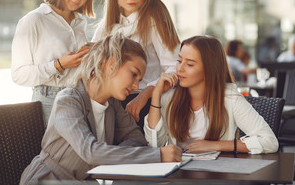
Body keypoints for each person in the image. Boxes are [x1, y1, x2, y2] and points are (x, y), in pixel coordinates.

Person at [19, 34, 182, 184]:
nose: (136, 86)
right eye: (133, 74)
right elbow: (90, 152)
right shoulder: (68, 101)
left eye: (139, 80)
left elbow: (136, 138)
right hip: (48, 179)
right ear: (111, 64)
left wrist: (108, 153)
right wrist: (158, 155)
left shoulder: (112, 104)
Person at [144, 35, 278, 154]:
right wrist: (156, 94)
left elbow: (270, 141)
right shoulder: (170, 98)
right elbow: (155, 144)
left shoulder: (230, 99)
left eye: (189, 64)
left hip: (217, 175)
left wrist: (214, 145)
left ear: (209, 70)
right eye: (179, 61)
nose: (180, 68)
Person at [92, 0, 180, 128]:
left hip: (145, 102)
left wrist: (147, 93)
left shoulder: (155, 20)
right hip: (112, 104)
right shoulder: (107, 25)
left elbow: (176, 66)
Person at [11, 0, 96, 126]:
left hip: (80, 98)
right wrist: (58, 65)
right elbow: (18, 75)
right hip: (49, 101)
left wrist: (91, 55)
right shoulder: (33, 20)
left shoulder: (80, 22)